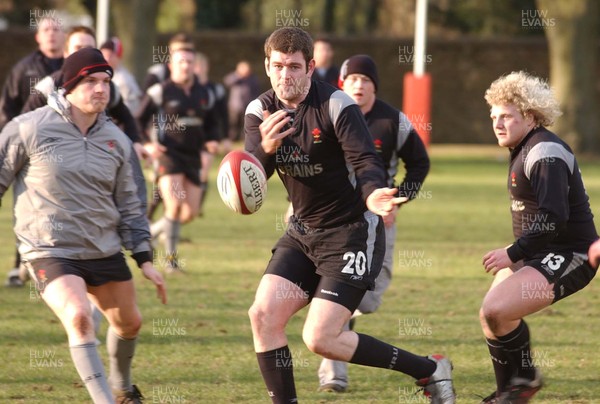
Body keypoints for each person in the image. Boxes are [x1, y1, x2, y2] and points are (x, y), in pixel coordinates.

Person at [244, 27, 455, 404]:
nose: (285, 76)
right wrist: (265, 147)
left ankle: (428, 369)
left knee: (320, 338)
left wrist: (375, 193)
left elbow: (365, 159)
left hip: (351, 233)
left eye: (294, 67)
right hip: (302, 233)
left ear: (311, 67)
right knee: (262, 315)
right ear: (267, 65)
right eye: (277, 66)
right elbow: (251, 183)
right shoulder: (259, 112)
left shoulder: (337, 105)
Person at [0, 47, 166, 403]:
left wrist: (145, 259)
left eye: (105, 81)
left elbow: (132, 205)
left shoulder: (118, 141)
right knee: (79, 317)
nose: (100, 89)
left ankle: (123, 388)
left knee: (129, 324)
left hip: (102, 247)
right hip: (49, 249)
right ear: (70, 86)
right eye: (90, 81)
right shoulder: (29, 127)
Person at [479, 71, 598, 403]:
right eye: (494, 117)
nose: (498, 123)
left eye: (506, 116)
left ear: (529, 116)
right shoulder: (523, 145)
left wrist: (514, 252)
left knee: (497, 309)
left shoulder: (544, 151)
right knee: (492, 318)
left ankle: (520, 383)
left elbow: (554, 216)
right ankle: (514, 388)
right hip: (539, 251)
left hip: (572, 254)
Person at [315, 54, 430, 393]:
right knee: (336, 294)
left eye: (366, 80)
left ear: (375, 86)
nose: (359, 85)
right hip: (332, 222)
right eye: (353, 79)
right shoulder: (328, 114)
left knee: (369, 299)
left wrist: (399, 199)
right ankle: (332, 366)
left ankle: (332, 325)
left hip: (377, 221)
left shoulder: (393, 121)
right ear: (342, 83)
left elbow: (420, 164)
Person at [136, 47, 218, 274]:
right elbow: (138, 120)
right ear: (171, 65)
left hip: (192, 156)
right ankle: (171, 261)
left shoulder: (204, 93)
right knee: (173, 205)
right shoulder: (160, 91)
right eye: (181, 61)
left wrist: (213, 139)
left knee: (188, 212)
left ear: (195, 65)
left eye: (190, 62)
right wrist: (148, 143)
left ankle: (150, 234)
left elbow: (212, 123)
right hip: (168, 155)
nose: (186, 66)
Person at [0, 16, 65, 287]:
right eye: (46, 30)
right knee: (26, 207)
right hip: (28, 149)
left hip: (62, 151)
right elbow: (8, 108)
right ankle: (19, 268)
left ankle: (58, 265)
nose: (51, 35)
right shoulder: (24, 69)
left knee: (58, 210)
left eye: (56, 30)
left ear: (64, 36)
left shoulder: (73, 70)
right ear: (38, 36)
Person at [223, 60, 260, 149]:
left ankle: (244, 140)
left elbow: (256, 90)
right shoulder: (235, 77)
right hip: (235, 106)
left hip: (247, 106)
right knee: (233, 124)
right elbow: (227, 82)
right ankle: (231, 140)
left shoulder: (252, 79)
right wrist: (238, 75)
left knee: (246, 124)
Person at [100, 37, 143, 114]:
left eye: (109, 55)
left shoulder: (123, 80)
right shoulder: (104, 73)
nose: (106, 59)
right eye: (103, 55)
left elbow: (128, 109)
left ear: (118, 57)